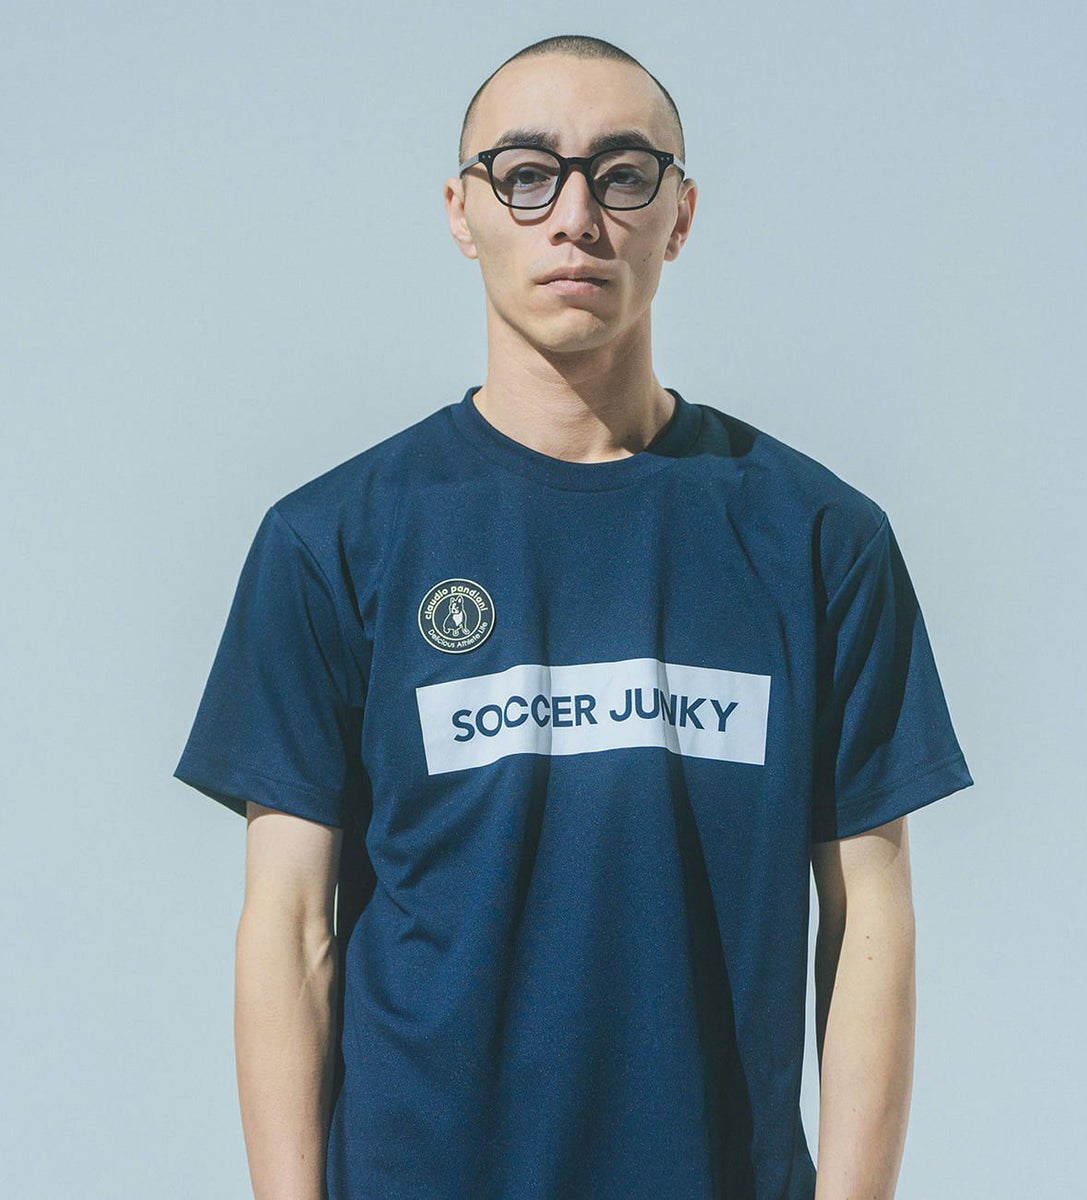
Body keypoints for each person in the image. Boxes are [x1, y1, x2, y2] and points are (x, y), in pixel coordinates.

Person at [174, 32, 974, 1200]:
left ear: (680, 215)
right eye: (528, 174)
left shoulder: (819, 541)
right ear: (463, 210)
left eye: (623, 173)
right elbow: (291, 927)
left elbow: (869, 923)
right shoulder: (333, 540)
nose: (577, 217)